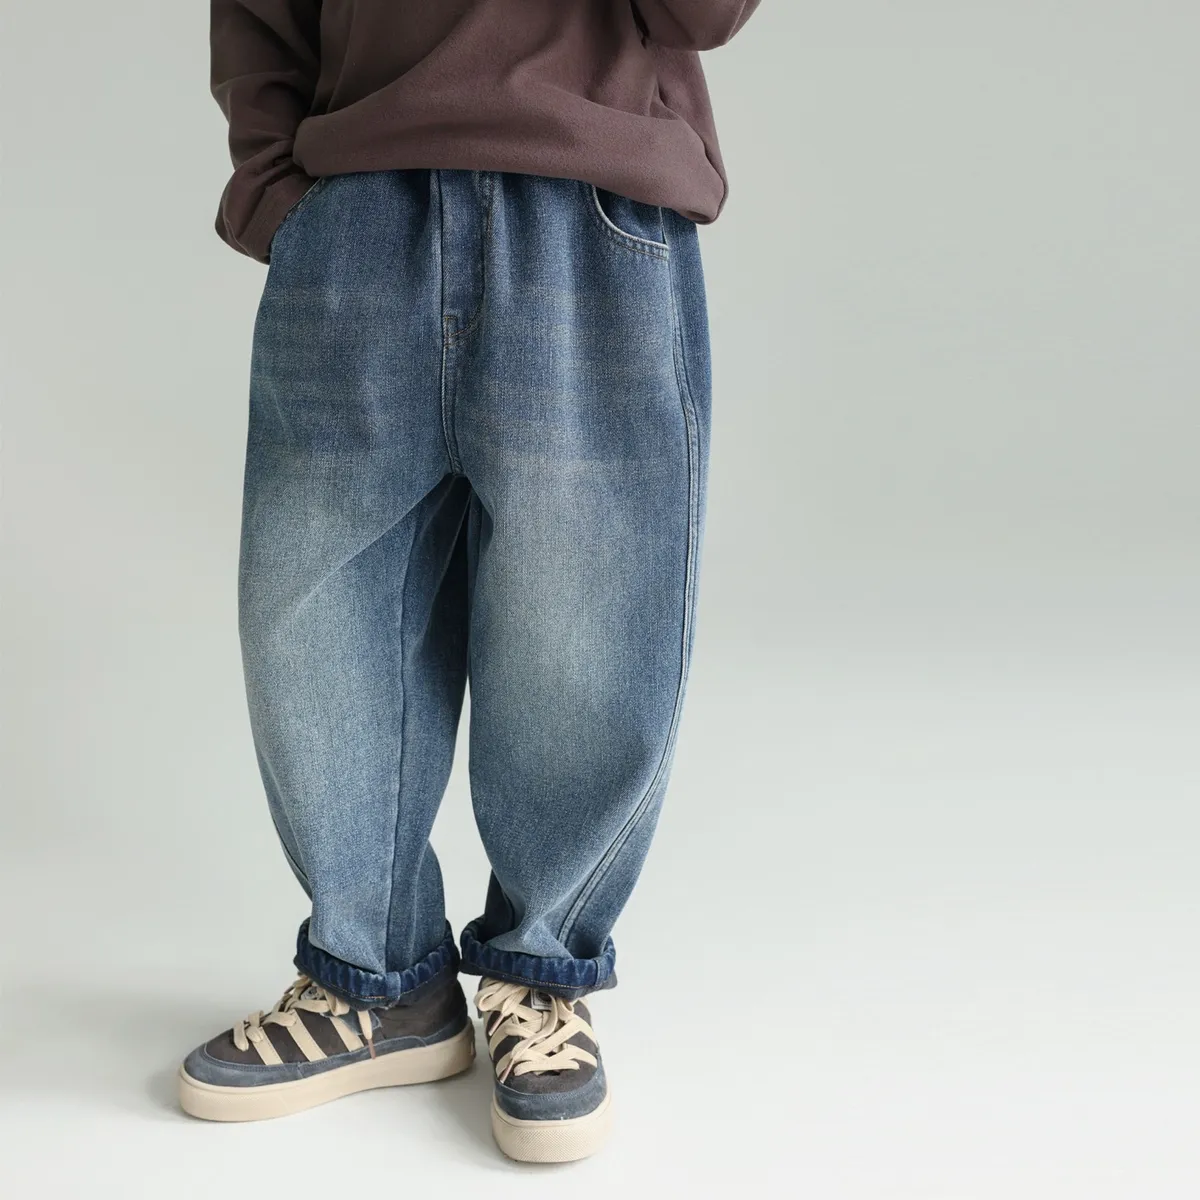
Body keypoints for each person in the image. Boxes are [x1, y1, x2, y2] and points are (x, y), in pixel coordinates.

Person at [180, 0, 760, 1163]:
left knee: (581, 621)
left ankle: (541, 974)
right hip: (358, 205)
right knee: (313, 612)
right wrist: (277, 191)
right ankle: (375, 978)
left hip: (589, 203)